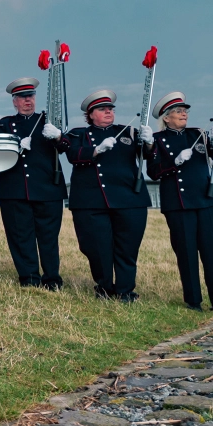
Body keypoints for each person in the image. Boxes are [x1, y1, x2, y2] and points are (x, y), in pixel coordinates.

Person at [146, 91, 213, 312]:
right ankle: (193, 300)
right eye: (178, 111)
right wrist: (174, 162)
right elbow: (154, 172)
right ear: (166, 118)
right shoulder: (156, 141)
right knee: (186, 253)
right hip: (178, 204)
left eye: (185, 111)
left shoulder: (200, 134)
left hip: (206, 200)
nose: (183, 114)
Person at [65, 89, 153, 302]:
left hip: (129, 199)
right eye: (102, 109)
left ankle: (125, 290)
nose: (108, 112)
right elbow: (72, 155)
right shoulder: (78, 135)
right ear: (90, 113)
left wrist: (149, 141)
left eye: (110, 109)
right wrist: (95, 150)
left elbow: (148, 156)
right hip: (91, 202)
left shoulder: (129, 132)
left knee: (127, 247)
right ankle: (103, 286)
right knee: (96, 247)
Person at [0, 77, 69, 289]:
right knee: (20, 236)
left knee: (48, 237)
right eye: (23, 97)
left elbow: (66, 147)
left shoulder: (49, 120)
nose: (28, 101)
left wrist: (57, 136)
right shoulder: (3, 124)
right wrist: (15, 146)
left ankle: (52, 278)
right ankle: (29, 277)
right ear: (14, 101)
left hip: (48, 188)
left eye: (31, 96)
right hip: (15, 189)